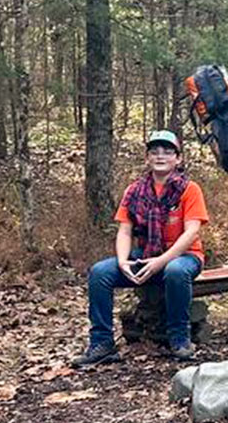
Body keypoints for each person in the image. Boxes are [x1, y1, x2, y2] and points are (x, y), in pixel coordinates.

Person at [73, 131, 211, 367]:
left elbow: (191, 233)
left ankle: (179, 339)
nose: (161, 156)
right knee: (100, 273)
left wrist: (162, 261)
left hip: (184, 257)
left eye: (168, 152)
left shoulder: (189, 189)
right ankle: (102, 343)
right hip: (146, 254)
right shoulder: (135, 191)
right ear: (147, 158)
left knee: (176, 271)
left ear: (178, 159)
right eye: (155, 151)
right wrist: (123, 261)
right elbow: (125, 231)